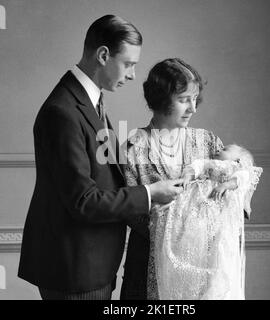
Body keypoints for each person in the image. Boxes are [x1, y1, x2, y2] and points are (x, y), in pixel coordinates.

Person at [18, 15, 183, 300]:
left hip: (93, 265)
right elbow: (84, 200)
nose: (132, 74)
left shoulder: (90, 101)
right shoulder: (63, 111)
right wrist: (149, 193)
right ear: (103, 55)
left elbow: (107, 176)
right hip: (76, 271)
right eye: (129, 64)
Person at [120, 58, 260, 300]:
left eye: (195, 99)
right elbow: (130, 208)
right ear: (161, 99)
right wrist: (175, 225)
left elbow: (243, 174)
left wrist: (237, 193)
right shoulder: (134, 147)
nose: (193, 108)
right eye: (184, 100)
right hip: (147, 266)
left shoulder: (209, 142)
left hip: (204, 269)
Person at [155, 144, 262, 299]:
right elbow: (195, 167)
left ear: (238, 159)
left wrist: (225, 185)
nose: (218, 150)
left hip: (218, 210)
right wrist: (187, 176)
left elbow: (241, 179)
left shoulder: (236, 168)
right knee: (193, 241)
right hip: (197, 209)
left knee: (219, 250)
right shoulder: (208, 163)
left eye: (225, 150)